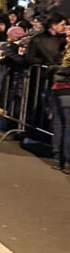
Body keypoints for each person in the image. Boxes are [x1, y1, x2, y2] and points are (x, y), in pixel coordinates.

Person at [49, 21, 70, 172]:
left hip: (66, 89)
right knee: (58, 124)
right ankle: (58, 157)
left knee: (66, 126)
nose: (67, 36)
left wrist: (58, 69)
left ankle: (65, 159)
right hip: (58, 88)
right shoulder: (64, 48)